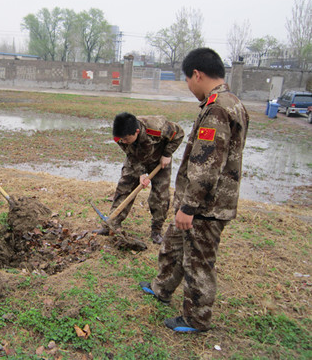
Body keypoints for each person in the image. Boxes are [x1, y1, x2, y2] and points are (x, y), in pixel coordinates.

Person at [139, 48, 249, 333]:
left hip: (205, 207)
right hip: (194, 201)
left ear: (197, 75)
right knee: (172, 244)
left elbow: (206, 164)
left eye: (188, 80)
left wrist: (189, 207)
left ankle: (196, 318)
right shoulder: (229, 102)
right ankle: (161, 288)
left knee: (199, 261)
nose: (188, 87)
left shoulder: (218, 109)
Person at [93, 112, 184, 244]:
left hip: (159, 160)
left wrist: (167, 154)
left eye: (126, 139)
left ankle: (156, 231)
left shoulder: (156, 127)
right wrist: (141, 173)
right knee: (123, 189)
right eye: (121, 139)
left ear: (136, 131)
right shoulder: (119, 137)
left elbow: (179, 133)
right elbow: (130, 154)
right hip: (135, 159)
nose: (123, 141)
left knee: (160, 196)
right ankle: (112, 224)